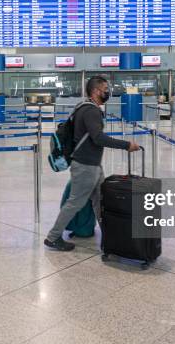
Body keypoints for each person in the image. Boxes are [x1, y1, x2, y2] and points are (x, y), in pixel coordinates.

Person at [44, 76, 140, 251]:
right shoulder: (90, 111)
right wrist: (126, 145)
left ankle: (110, 235)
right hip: (86, 165)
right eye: (105, 88)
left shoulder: (84, 107)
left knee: (100, 201)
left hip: (92, 164)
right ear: (96, 91)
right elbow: (98, 138)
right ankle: (53, 237)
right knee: (75, 202)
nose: (107, 92)